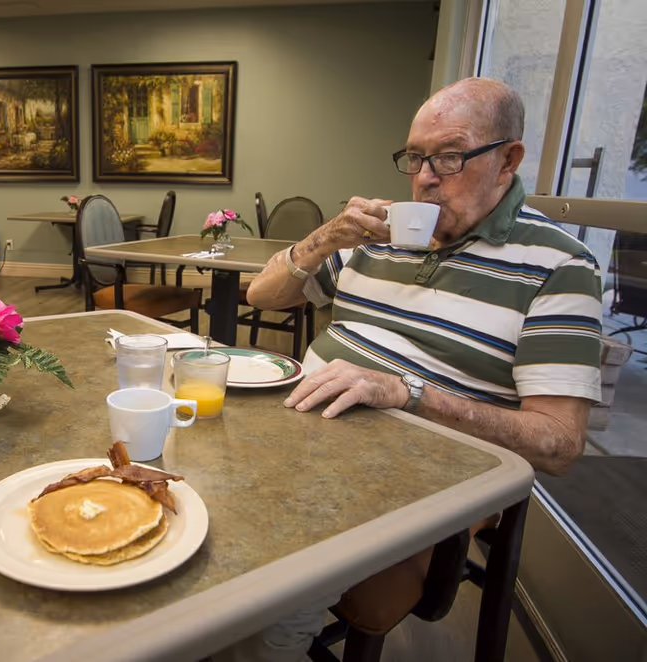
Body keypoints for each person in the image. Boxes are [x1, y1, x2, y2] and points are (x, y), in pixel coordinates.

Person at [214, 77, 602, 661]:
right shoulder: (382, 233)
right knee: (187, 478)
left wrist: (406, 392)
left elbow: (559, 444)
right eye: (415, 158)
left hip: (409, 468)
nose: (425, 177)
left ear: (507, 160)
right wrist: (326, 237)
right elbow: (262, 296)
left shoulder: (559, 265)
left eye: (449, 156)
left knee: (271, 583)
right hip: (298, 425)